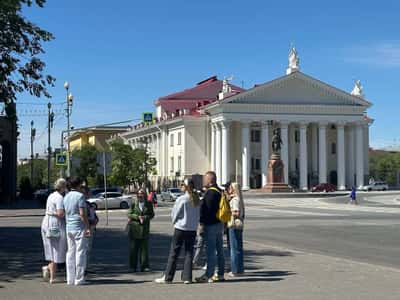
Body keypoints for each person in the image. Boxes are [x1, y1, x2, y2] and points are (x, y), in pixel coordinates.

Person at [155, 179, 200, 284]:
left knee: (174, 253)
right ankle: (187, 277)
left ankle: (168, 277)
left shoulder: (182, 199)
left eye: (182, 184)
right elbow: (198, 215)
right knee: (189, 253)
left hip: (181, 228)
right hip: (192, 229)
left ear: (186, 186)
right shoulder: (197, 199)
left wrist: (174, 222)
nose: (181, 186)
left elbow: (175, 213)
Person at [195, 171, 225, 283]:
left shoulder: (210, 193)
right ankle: (220, 273)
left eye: (205, 179)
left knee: (210, 251)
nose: (203, 181)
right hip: (219, 223)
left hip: (210, 225)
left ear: (210, 180)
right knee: (220, 250)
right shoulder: (219, 191)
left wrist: (201, 224)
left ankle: (209, 275)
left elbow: (206, 211)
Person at [63, 177, 91, 285]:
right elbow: (82, 214)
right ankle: (79, 279)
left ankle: (70, 278)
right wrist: (87, 227)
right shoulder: (80, 196)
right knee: (80, 253)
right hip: (79, 227)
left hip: (69, 227)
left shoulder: (66, 196)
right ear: (78, 185)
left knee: (70, 252)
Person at [41, 178, 67, 283]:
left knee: (52, 249)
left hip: (46, 223)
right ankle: (51, 275)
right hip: (55, 224)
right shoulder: (60, 197)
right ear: (63, 187)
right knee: (57, 249)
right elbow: (60, 213)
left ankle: (49, 271)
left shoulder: (51, 195)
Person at [128, 189, 155, 272]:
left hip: (144, 229)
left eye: (142, 193)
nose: (140, 195)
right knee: (133, 250)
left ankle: (144, 266)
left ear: (145, 195)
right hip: (134, 229)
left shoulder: (149, 204)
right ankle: (133, 267)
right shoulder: (133, 203)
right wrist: (137, 217)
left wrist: (145, 217)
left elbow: (152, 214)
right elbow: (129, 214)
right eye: (139, 194)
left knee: (144, 250)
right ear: (137, 195)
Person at [227, 182, 245, 277]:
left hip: (233, 225)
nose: (228, 189)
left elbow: (236, 212)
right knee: (239, 248)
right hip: (239, 225)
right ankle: (240, 269)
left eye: (230, 187)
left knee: (234, 249)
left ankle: (235, 270)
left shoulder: (235, 199)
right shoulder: (239, 199)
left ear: (234, 189)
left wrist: (227, 212)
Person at [81, 185, 99, 271]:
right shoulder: (81, 204)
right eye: (87, 192)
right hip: (85, 228)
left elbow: (94, 215)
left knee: (88, 249)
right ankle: (82, 269)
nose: (88, 194)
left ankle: (86, 268)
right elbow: (83, 217)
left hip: (91, 228)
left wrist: (96, 220)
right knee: (84, 249)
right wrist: (91, 222)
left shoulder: (88, 204)